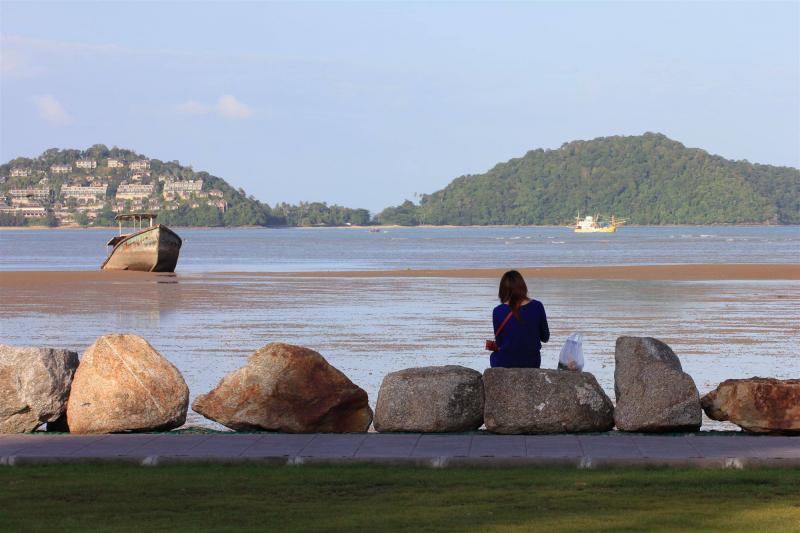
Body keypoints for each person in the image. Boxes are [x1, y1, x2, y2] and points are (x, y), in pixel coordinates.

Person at [490, 270, 550, 368]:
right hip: (532, 362)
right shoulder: (537, 306)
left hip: (506, 362)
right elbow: (545, 337)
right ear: (523, 287)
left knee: (493, 356)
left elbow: (499, 342)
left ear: (503, 290)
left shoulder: (497, 311)